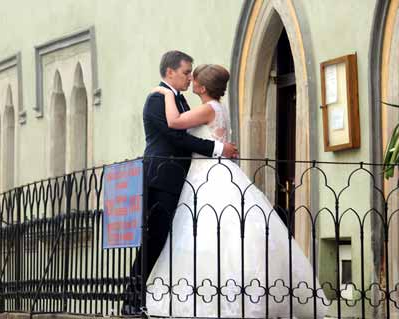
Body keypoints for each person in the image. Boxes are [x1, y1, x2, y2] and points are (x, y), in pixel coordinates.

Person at [145, 64, 328, 318]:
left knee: (208, 231)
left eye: (194, 78)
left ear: (203, 87)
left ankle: (212, 299)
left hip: (207, 174)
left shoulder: (208, 108)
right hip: (216, 170)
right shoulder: (219, 107)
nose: (191, 81)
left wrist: (165, 94)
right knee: (225, 232)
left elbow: (174, 123)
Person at [122, 51, 239, 315]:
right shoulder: (156, 99)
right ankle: (132, 299)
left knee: (172, 239)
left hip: (183, 179)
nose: (189, 77)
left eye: (191, 73)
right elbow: (175, 137)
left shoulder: (182, 101)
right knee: (155, 238)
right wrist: (218, 148)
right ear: (170, 72)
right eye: (186, 72)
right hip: (161, 178)